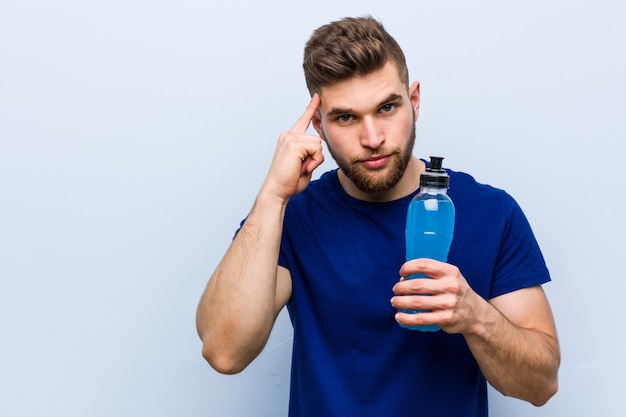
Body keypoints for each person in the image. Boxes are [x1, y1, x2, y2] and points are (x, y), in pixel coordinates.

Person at [196, 16, 560, 417]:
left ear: (414, 100)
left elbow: (541, 386)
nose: (372, 138)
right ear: (318, 125)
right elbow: (224, 352)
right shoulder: (290, 217)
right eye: (346, 117)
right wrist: (272, 194)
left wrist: (476, 317)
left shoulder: (492, 213)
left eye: (387, 107)